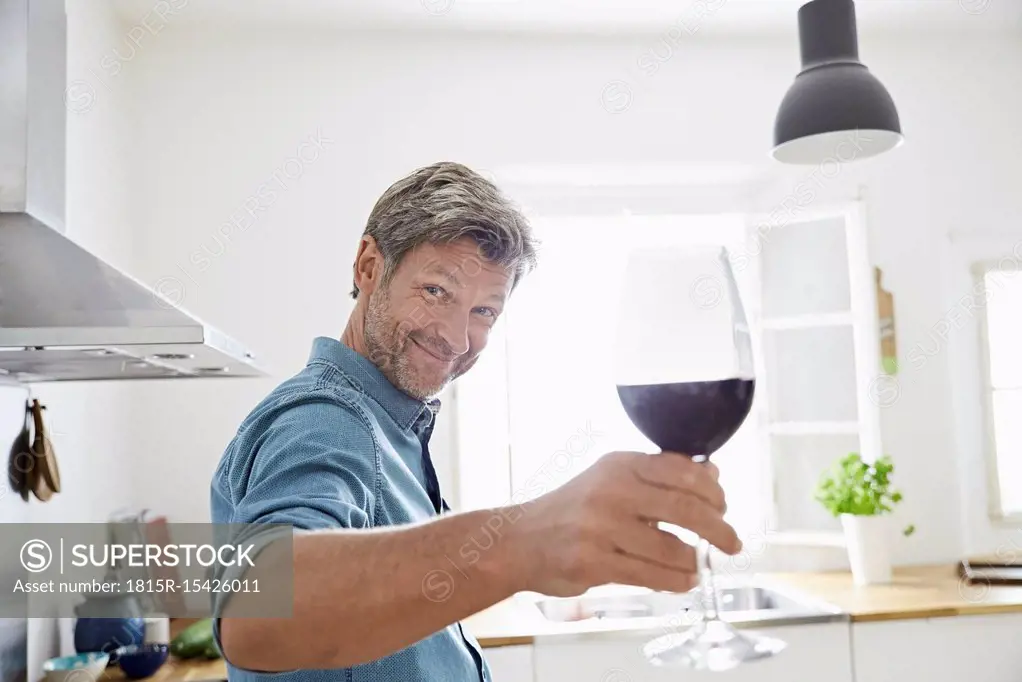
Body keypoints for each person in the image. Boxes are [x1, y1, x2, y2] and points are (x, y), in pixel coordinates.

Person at [209, 161, 743, 682]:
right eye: (436, 292)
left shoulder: (389, 422)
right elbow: (259, 616)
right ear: (369, 266)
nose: (456, 338)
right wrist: (524, 542)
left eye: (484, 312)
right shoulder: (322, 420)